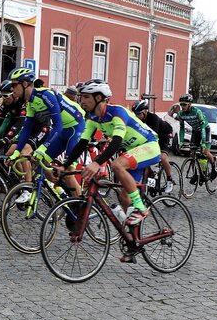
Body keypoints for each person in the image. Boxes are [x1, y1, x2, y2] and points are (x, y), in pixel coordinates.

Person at [61, 79, 161, 232]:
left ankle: (141, 208)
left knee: (116, 165)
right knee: (124, 197)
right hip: (132, 152)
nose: (82, 101)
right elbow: (81, 144)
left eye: (86, 97)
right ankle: (132, 240)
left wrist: (97, 163)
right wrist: (64, 165)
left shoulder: (117, 112)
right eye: (81, 97)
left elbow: (116, 142)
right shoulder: (93, 119)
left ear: (99, 98)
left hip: (149, 146)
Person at [6, 67, 84, 203]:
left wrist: (43, 148)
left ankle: (82, 208)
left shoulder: (46, 95)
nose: (12, 89)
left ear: (25, 84)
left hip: (76, 128)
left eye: (14, 85)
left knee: (68, 173)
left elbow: (57, 125)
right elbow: (26, 130)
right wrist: (16, 152)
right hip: (64, 130)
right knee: (41, 162)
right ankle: (61, 193)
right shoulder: (30, 102)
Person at [132, 99, 175, 194]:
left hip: (165, 137)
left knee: (163, 158)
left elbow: (153, 136)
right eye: (135, 114)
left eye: (138, 113)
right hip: (153, 139)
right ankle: (152, 174)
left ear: (145, 111)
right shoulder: (137, 120)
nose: (136, 116)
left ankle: (169, 180)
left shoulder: (153, 118)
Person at [173, 93, 217, 182]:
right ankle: (195, 174)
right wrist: (181, 141)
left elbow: (203, 128)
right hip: (195, 131)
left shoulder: (197, 112)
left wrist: (203, 143)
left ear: (189, 104)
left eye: (184, 104)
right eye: (181, 104)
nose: (182, 106)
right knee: (192, 153)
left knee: (204, 151)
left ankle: (213, 168)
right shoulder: (181, 114)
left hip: (205, 129)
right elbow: (181, 128)